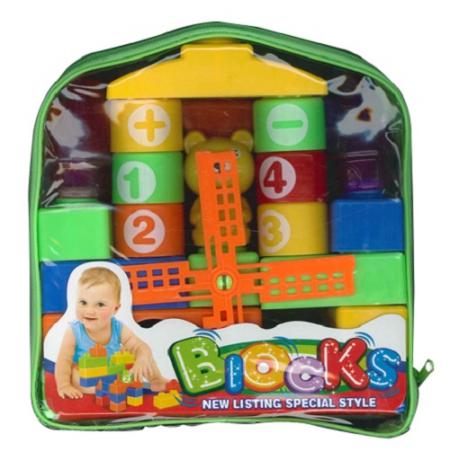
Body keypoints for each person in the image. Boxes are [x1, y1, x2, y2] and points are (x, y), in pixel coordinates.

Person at [55, 267, 168, 399]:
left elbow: (140, 346)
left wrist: (141, 360)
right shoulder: (74, 331)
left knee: (141, 352)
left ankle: (156, 379)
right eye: (83, 302)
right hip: (88, 373)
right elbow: (63, 360)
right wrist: (64, 385)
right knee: (77, 376)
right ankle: (107, 387)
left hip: (114, 369)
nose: (89, 311)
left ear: (116, 309)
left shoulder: (117, 327)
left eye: (100, 304)